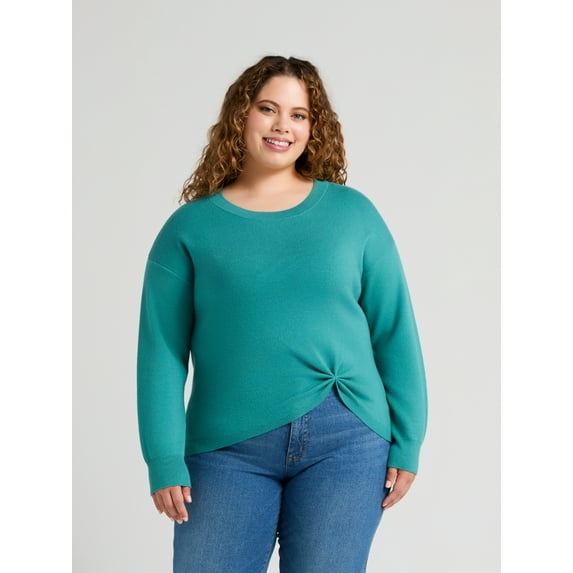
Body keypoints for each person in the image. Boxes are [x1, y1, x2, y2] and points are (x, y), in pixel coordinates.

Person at [137, 55, 428, 573]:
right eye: (268, 109)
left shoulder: (353, 215)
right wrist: (163, 457)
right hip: (225, 449)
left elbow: (394, 331)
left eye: (299, 115)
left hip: (346, 440)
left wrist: (409, 441)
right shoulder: (190, 229)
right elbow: (161, 351)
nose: (282, 126)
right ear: (240, 115)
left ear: (314, 128)